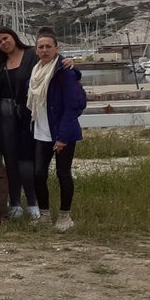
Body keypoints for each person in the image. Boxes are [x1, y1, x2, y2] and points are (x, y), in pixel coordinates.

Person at [29, 29, 87, 231]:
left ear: (56, 49)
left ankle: (65, 216)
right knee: (38, 174)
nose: (44, 50)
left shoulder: (64, 72)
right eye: (41, 47)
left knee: (63, 173)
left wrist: (62, 137)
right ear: (36, 50)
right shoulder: (36, 71)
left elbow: (72, 107)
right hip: (41, 131)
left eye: (48, 46)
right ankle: (44, 215)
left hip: (63, 133)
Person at [0, 26, 38, 219]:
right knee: (10, 160)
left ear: (13, 37)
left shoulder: (32, 55)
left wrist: (69, 65)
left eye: (5, 38)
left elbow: (53, 65)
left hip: (28, 114)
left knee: (27, 160)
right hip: (3, 116)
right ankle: (15, 203)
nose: (4, 43)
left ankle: (33, 202)